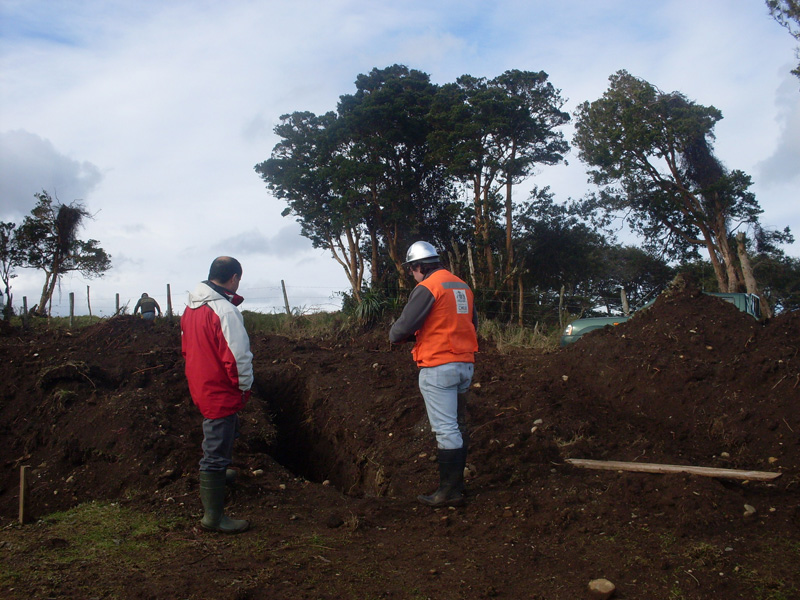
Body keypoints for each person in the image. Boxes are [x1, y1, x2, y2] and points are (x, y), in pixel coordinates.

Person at [389, 241, 478, 507]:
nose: (412, 275)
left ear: (418, 266)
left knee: (446, 430)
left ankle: (448, 492)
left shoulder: (428, 286)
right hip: (465, 364)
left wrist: (397, 335)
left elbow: (401, 328)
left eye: (411, 270)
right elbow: (470, 323)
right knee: (458, 425)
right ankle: (457, 487)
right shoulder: (462, 286)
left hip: (439, 367)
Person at [181, 256, 253, 533]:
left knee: (221, 431)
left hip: (201, 381)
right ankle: (213, 517)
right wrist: (245, 386)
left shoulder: (191, 307)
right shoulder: (225, 312)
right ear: (234, 278)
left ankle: (220, 473)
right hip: (220, 388)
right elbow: (237, 358)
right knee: (217, 443)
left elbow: (186, 348)